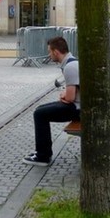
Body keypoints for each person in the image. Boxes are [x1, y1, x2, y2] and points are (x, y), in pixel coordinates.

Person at [22, 36, 79, 166]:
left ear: (56, 52)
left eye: (49, 51)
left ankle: (43, 156)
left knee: (40, 114)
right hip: (78, 105)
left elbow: (70, 98)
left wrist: (64, 96)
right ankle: (43, 151)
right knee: (40, 109)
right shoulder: (71, 62)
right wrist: (65, 95)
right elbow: (73, 91)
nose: (49, 54)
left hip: (78, 109)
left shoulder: (70, 67)